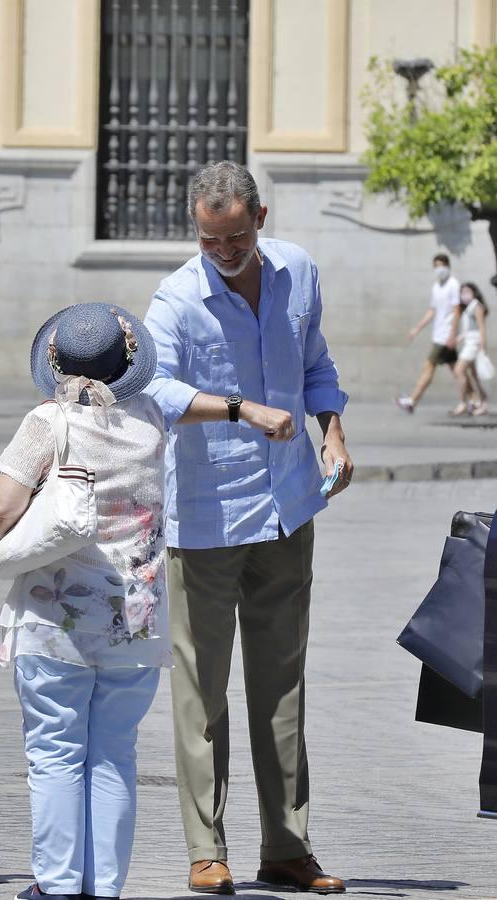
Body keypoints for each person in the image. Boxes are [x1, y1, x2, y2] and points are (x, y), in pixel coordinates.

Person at [143, 161, 352, 895]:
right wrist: (239, 408)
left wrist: (332, 432)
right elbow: (158, 390)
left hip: (288, 506)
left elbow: (316, 363)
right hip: (204, 518)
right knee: (201, 691)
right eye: (209, 239)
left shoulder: (298, 272)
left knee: (280, 686)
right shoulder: (174, 298)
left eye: (234, 237)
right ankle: (206, 849)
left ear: (259, 219)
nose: (223, 251)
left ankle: (287, 848)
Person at [0, 303, 171, 900]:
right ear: (128, 361)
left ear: (56, 361)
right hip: (136, 618)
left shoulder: (47, 422)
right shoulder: (150, 422)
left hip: (56, 617)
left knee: (56, 753)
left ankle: (59, 886)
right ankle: (104, 888)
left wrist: (7, 543)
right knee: (115, 753)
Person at [396, 253, 461, 413]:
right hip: (439, 334)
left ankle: (412, 401)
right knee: (457, 370)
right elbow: (432, 311)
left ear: (447, 266)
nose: (439, 269)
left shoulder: (453, 284)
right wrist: (417, 328)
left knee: (429, 366)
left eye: (441, 265)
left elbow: (457, 311)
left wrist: (452, 335)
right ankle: (475, 400)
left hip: (445, 337)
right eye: (436, 266)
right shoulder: (436, 286)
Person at [451, 282, 489, 417]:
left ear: (474, 292)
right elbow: (470, 329)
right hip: (469, 342)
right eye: (462, 292)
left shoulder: (477, 306)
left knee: (458, 370)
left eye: (467, 292)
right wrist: (460, 337)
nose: (464, 295)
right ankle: (482, 402)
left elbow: (481, 327)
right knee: (474, 375)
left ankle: (463, 403)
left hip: (474, 344)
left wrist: (482, 346)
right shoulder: (468, 308)